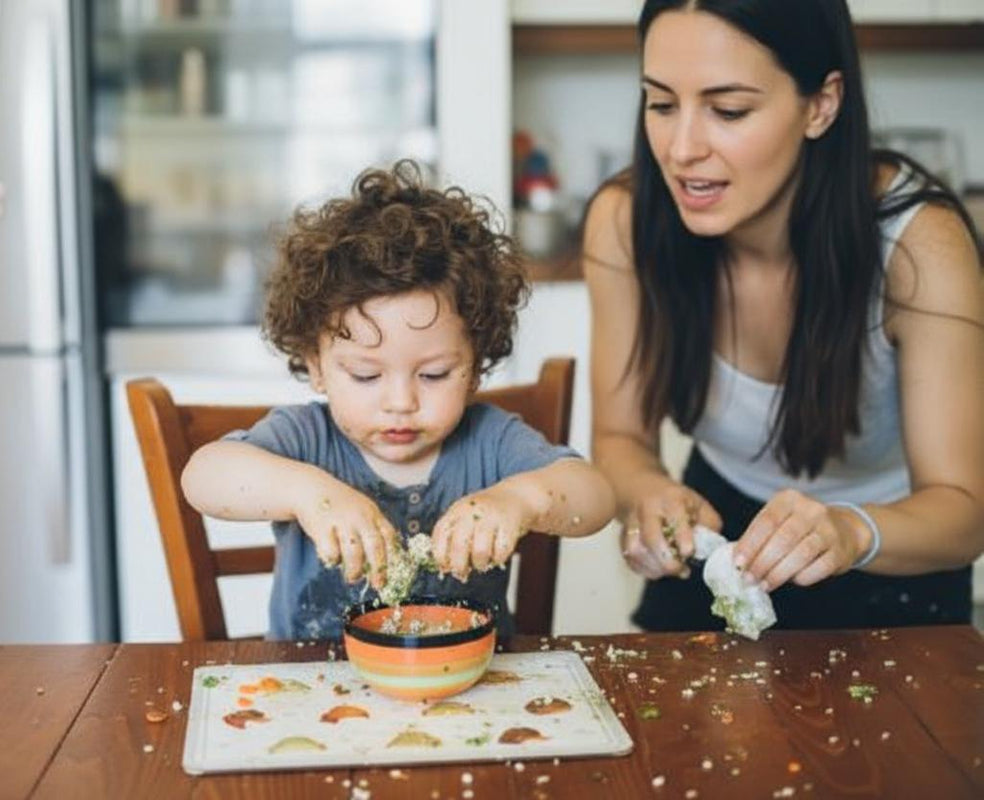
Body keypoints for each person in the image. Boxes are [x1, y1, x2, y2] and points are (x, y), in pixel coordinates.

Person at [582, 0, 984, 631]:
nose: (682, 148)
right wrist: (647, 494)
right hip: (721, 530)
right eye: (661, 104)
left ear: (821, 105)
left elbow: (964, 514)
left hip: (891, 551)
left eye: (729, 110)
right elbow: (620, 440)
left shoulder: (918, 245)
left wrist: (850, 532)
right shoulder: (625, 223)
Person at [182, 160, 616, 640]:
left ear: (475, 367)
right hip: (311, 689)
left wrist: (521, 499)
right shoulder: (305, 439)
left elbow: (594, 497)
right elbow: (204, 476)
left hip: (473, 693)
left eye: (434, 374)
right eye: (366, 375)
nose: (400, 401)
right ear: (317, 367)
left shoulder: (491, 441)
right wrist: (309, 495)